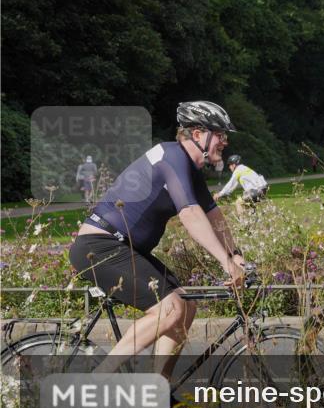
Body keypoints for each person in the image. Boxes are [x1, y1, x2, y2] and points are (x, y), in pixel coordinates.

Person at [68, 101, 245, 382]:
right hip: (99, 246)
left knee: (186, 306)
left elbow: (213, 216)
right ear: (198, 134)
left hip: (123, 248)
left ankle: (157, 389)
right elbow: (190, 213)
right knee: (171, 308)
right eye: (220, 134)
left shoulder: (189, 168)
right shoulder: (171, 156)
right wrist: (225, 262)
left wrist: (235, 255)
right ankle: (96, 381)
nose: (225, 141)